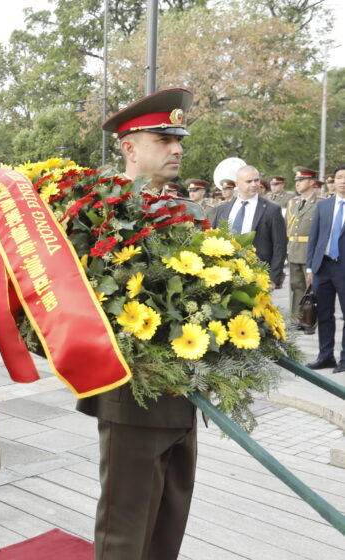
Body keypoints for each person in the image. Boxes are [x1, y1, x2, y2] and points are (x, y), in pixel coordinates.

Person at [80, 88, 197, 560]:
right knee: (125, 534)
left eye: (179, 138)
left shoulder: (184, 214)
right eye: (163, 138)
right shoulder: (99, 215)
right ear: (129, 148)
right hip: (130, 397)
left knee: (169, 527)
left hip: (184, 396)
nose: (177, 148)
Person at [214, 165, 287, 290]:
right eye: (249, 181)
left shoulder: (271, 210)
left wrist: (273, 279)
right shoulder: (223, 209)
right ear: (237, 183)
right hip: (225, 273)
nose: (254, 184)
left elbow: (280, 246)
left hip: (257, 276)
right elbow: (214, 239)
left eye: (256, 180)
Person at [305, 165, 345, 373]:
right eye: (339, 177)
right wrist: (310, 267)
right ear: (333, 181)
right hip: (323, 266)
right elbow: (314, 237)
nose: (342, 181)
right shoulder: (324, 206)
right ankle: (325, 355)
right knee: (324, 313)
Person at [286, 167, 319, 328]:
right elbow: (288, 228)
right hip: (293, 249)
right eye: (296, 181)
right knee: (295, 285)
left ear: (311, 182)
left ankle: (309, 319)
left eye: (302, 180)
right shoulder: (293, 202)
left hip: (309, 250)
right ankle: (296, 318)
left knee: (310, 286)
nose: (297, 183)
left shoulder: (319, 202)